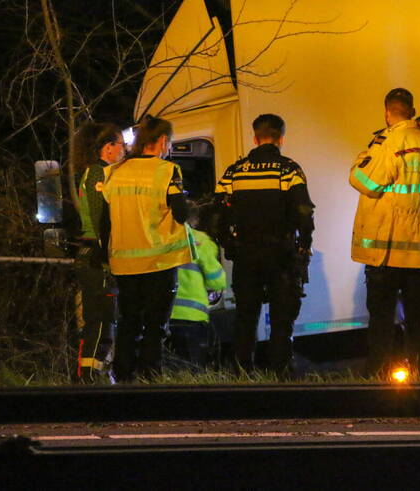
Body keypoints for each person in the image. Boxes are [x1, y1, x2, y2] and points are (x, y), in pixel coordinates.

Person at [349, 88, 420, 376]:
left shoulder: (389, 142)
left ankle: (379, 373)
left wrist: (362, 158)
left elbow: (365, 182)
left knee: (382, 318)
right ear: (412, 109)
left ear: (387, 112)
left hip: (389, 247)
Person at [212, 114, 314, 375]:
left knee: (246, 316)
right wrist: (304, 243)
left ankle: (242, 371)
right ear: (281, 138)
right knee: (282, 317)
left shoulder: (235, 171)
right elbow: (303, 210)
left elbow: (218, 212)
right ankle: (280, 372)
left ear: (255, 138)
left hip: (246, 253)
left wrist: (227, 242)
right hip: (281, 254)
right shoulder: (288, 169)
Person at [100, 116, 193, 382]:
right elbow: (181, 213)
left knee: (128, 322)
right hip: (159, 262)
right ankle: (150, 379)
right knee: (155, 326)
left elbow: (104, 220)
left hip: (124, 263)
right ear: (163, 141)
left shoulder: (115, 171)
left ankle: (123, 378)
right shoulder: (167, 170)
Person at [69, 121, 124, 383]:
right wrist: (104, 256)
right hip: (96, 258)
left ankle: (93, 375)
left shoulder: (99, 173)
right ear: (108, 148)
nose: (124, 150)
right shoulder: (98, 174)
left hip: (96, 256)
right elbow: (100, 217)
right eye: (121, 145)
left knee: (102, 320)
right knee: (101, 321)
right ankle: (89, 377)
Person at [168, 203, 227, 368]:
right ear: (195, 219)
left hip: (163, 314)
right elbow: (216, 280)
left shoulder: (161, 237)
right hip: (192, 316)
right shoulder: (201, 240)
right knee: (191, 367)